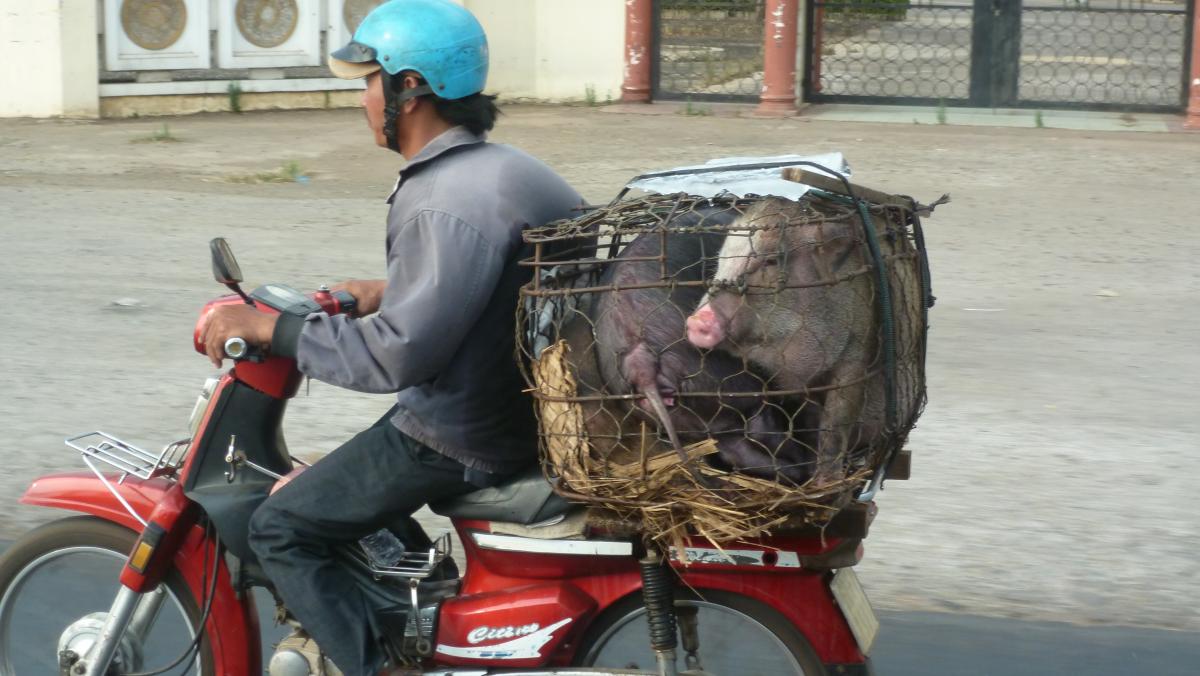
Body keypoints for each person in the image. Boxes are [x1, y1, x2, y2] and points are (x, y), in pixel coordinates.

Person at [198, 1, 584, 673]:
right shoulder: (505, 170)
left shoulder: (441, 200)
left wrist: (275, 329)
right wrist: (383, 292)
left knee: (280, 525)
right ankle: (414, 619)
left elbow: (394, 356)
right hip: (514, 407)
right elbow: (489, 285)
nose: (362, 100)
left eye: (369, 82)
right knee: (334, 485)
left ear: (409, 88)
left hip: (461, 433)